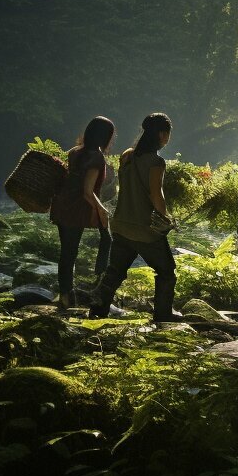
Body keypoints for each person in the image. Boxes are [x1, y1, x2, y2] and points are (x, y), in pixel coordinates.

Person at [90, 113, 179, 322]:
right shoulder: (156, 162)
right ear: (161, 134)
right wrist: (166, 218)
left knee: (115, 271)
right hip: (144, 228)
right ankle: (163, 314)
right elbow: (157, 195)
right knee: (167, 272)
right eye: (167, 134)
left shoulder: (127, 155)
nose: (167, 138)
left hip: (121, 224)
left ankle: (98, 308)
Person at [49, 116, 114, 309]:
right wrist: (102, 210)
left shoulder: (74, 152)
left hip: (61, 204)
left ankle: (66, 294)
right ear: (105, 137)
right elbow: (87, 191)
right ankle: (77, 293)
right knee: (76, 251)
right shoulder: (96, 157)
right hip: (75, 209)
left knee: (67, 253)